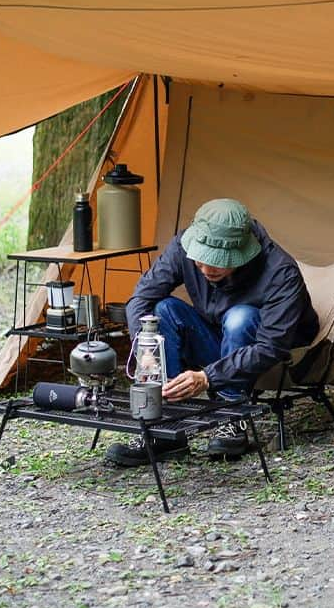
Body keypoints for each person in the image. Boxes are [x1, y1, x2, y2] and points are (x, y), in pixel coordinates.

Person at [106, 198, 318, 466]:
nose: (206, 270)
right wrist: (145, 349)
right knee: (163, 309)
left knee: (241, 317)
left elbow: (271, 346)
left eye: (217, 263)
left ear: (244, 253)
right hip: (217, 342)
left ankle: (232, 415)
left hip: (269, 357)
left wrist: (207, 377)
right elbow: (140, 300)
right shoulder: (184, 244)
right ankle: (165, 427)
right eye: (200, 261)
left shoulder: (281, 272)